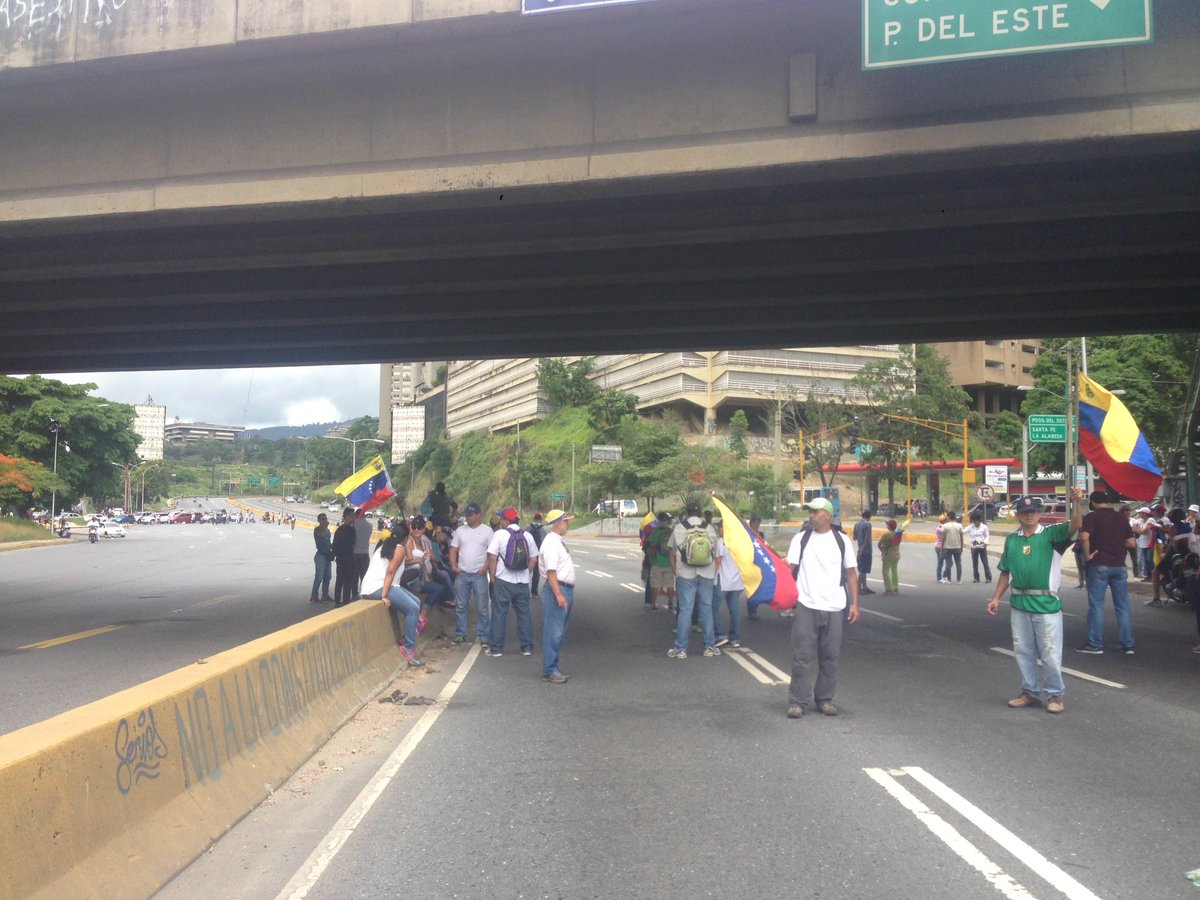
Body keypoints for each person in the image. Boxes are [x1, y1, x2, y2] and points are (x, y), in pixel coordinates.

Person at [986, 488, 1085, 715]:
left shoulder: (1052, 535)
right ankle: (1029, 692)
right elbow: (1005, 572)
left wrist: (1078, 503)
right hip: (1019, 602)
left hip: (1046, 604)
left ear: (1040, 514)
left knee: (1049, 652)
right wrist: (996, 598)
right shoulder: (1012, 540)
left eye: (1033, 512)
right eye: (1024, 512)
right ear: (1018, 515)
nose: (1029, 515)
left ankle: (1055, 695)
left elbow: (1076, 525)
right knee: (1023, 651)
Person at [784, 497, 859, 718]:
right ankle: (798, 701)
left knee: (830, 656)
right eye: (810, 512)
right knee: (802, 656)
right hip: (806, 604)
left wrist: (855, 604)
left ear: (827, 515)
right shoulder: (801, 539)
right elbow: (791, 569)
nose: (811, 516)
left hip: (835, 606)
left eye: (815, 512)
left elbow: (851, 573)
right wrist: (782, 593)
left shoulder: (842, 541)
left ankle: (825, 699)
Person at [1076, 490, 1136, 655]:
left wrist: (1087, 555)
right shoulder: (1121, 518)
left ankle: (1095, 643)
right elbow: (1132, 543)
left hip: (1099, 564)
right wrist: (1116, 545)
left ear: (1093, 502)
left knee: (1096, 605)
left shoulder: (1092, 517)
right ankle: (1127, 644)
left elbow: (1084, 536)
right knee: (1123, 606)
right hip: (1120, 566)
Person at [361, 533, 424, 668]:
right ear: (406, 539)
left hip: (381, 586)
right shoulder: (399, 548)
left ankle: (407, 634)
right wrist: (384, 595)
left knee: (416, 602)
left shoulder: (387, 546)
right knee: (413, 609)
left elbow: (409, 559)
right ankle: (409, 647)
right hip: (379, 587)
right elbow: (390, 572)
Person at [667, 503, 720, 659]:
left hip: (686, 574)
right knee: (706, 610)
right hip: (706, 574)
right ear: (700, 513)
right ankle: (709, 646)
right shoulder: (709, 528)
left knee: (685, 610)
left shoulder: (679, 528)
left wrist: (676, 572)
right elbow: (715, 553)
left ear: (687, 513)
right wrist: (713, 571)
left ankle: (681, 648)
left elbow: (672, 552)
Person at [486, 508, 538, 658]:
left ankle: (496, 649)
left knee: (499, 613)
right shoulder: (527, 535)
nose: (501, 521)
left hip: (503, 581)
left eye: (502, 519)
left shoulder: (499, 534)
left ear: (505, 521)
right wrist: (525, 572)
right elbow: (534, 558)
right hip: (522, 582)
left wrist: (493, 576)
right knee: (524, 614)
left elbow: (492, 557)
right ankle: (526, 647)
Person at [539, 509, 576, 683]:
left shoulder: (557, 541)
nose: (567, 524)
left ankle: (553, 667)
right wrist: (559, 594)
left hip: (563, 588)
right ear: (558, 523)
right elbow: (551, 571)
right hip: (558, 589)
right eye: (565, 521)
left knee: (559, 631)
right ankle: (550, 670)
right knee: (554, 632)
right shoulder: (552, 543)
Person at [450, 502, 493, 645]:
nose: (468, 518)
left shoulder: (487, 532)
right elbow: (453, 549)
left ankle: (484, 635)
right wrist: (454, 566)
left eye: (471, 515)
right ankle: (460, 634)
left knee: (482, 607)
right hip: (462, 574)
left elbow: (491, 553)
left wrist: (485, 568)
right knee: (461, 606)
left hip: (479, 575)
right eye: (467, 515)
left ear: (478, 515)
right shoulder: (460, 531)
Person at [711, 516, 743, 648]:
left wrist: (711, 577)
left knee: (713, 608)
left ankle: (720, 635)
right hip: (737, 582)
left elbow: (717, 561)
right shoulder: (740, 543)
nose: (719, 529)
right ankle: (735, 638)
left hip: (723, 581)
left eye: (721, 526)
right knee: (734, 611)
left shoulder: (721, 542)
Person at [644, 512, 675, 612]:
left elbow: (651, 547)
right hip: (669, 563)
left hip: (657, 563)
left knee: (655, 585)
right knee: (670, 585)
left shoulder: (655, 532)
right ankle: (670, 604)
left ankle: (653, 604)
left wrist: (651, 560)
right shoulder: (671, 532)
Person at [332, 508, 358, 607]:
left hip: (340, 558)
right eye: (352, 516)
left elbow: (334, 544)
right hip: (348, 558)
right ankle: (345, 601)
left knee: (339, 580)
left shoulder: (339, 529)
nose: (354, 518)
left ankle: (337, 601)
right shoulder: (351, 530)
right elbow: (353, 543)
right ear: (347, 517)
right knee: (347, 581)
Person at [309, 512, 335, 603]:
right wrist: (324, 527)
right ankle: (314, 596)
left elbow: (328, 542)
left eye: (325, 518)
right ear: (319, 520)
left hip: (327, 555)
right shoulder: (318, 530)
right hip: (320, 555)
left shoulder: (328, 531)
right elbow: (322, 536)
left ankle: (325, 595)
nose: (325, 520)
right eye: (323, 519)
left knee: (328, 576)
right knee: (319, 577)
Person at [877, 518, 906, 594]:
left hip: (888, 555)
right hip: (896, 554)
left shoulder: (886, 534)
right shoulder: (898, 534)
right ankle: (895, 587)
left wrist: (883, 551)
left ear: (889, 526)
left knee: (885, 571)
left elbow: (879, 545)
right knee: (894, 571)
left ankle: (889, 589)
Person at [964, 511, 992, 584]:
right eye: (973, 521)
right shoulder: (971, 527)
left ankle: (988, 578)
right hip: (974, 547)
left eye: (976, 521)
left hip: (982, 547)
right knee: (975, 564)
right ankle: (976, 578)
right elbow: (963, 531)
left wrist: (985, 542)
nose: (974, 522)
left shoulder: (984, 527)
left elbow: (987, 536)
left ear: (979, 520)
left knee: (985, 563)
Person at [353, 509, 374, 600]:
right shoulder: (369, 525)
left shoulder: (353, 524)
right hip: (365, 552)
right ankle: (365, 593)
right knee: (364, 576)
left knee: (354, 575)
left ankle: (354, 593)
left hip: (354, 553)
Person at [853, 510, 875, 595]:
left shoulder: (856, 524)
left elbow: (854, 537)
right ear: (869, 516)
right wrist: (864, 548)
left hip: (859, 547)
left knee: (863, 569)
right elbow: (867, 537)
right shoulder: (868, 524)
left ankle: (865, 587)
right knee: (863, 571)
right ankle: (858, 588)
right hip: (866, 549)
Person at [940, 512, 964, 583]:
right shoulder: (959, 525)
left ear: (949, 517)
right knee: (958, 563)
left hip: (947, 547)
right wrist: (961, 547)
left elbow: (943, 538)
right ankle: (958, 580)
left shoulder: (945, 526)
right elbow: (961, 537)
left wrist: (942, 547)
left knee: (948, 563)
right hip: (957, 547)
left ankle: (949, 579)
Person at [1133, 507, 1156, 582]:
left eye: (1141, 513)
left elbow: (1144, 531)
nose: (1139, 514)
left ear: (1145, 513)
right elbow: (1134, 529)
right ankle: (1147, 576)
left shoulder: (1150, 520)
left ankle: (1153, 576)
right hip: (1143, 543)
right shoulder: (1140, 520)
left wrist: (1138, 529)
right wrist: (1139, 529)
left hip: (1150, 543)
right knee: (1145, 560)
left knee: (1150, 560)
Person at [934, 514, 946, 582]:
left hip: (940, 546)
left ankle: (944, 576)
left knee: (943, 562)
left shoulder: (941, 527)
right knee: (940, 563)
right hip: (940, 547)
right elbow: (944, 531)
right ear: (943, 521)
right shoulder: (940, 529)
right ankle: (940, 577)